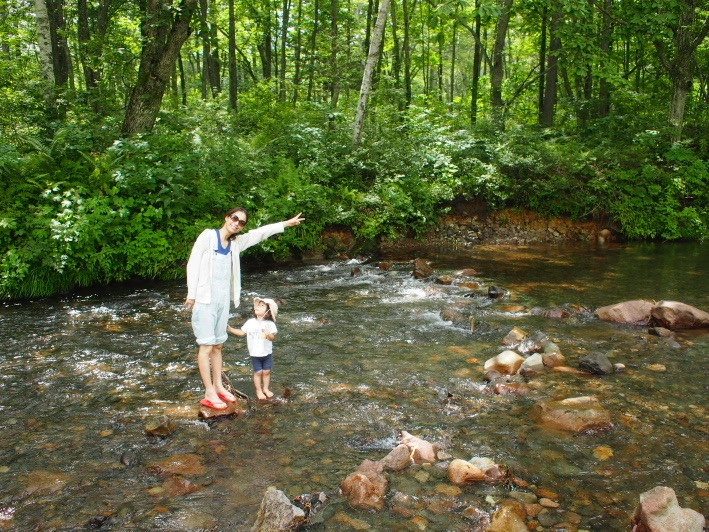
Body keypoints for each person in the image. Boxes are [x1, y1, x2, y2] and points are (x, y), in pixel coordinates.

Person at [185, 208, 304, 410]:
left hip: (223, 301)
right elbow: (193, 263)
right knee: (205, 347)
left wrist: (284, 224)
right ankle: (209, 392)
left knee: (218, 345)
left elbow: (259, 234)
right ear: (226, 217)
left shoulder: (235, 243)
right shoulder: (208, 236)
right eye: (235, 218)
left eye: (241, 222)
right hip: (204, 300)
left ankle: (219, 386)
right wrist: (192, 294)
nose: (237, 223)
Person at [227, 297, 278, 401]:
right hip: (255, 353)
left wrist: (268, 334)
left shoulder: (270, 324)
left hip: (267, 353)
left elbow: (272, 338)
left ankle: (266, 388)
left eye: (262, 305)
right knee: (258, 372)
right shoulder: (250, 322)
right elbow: (242, 332)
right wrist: (230, 329)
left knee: (267, 371)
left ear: (268, 310)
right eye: (257, 305)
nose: (258, 306)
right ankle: (259, 390)